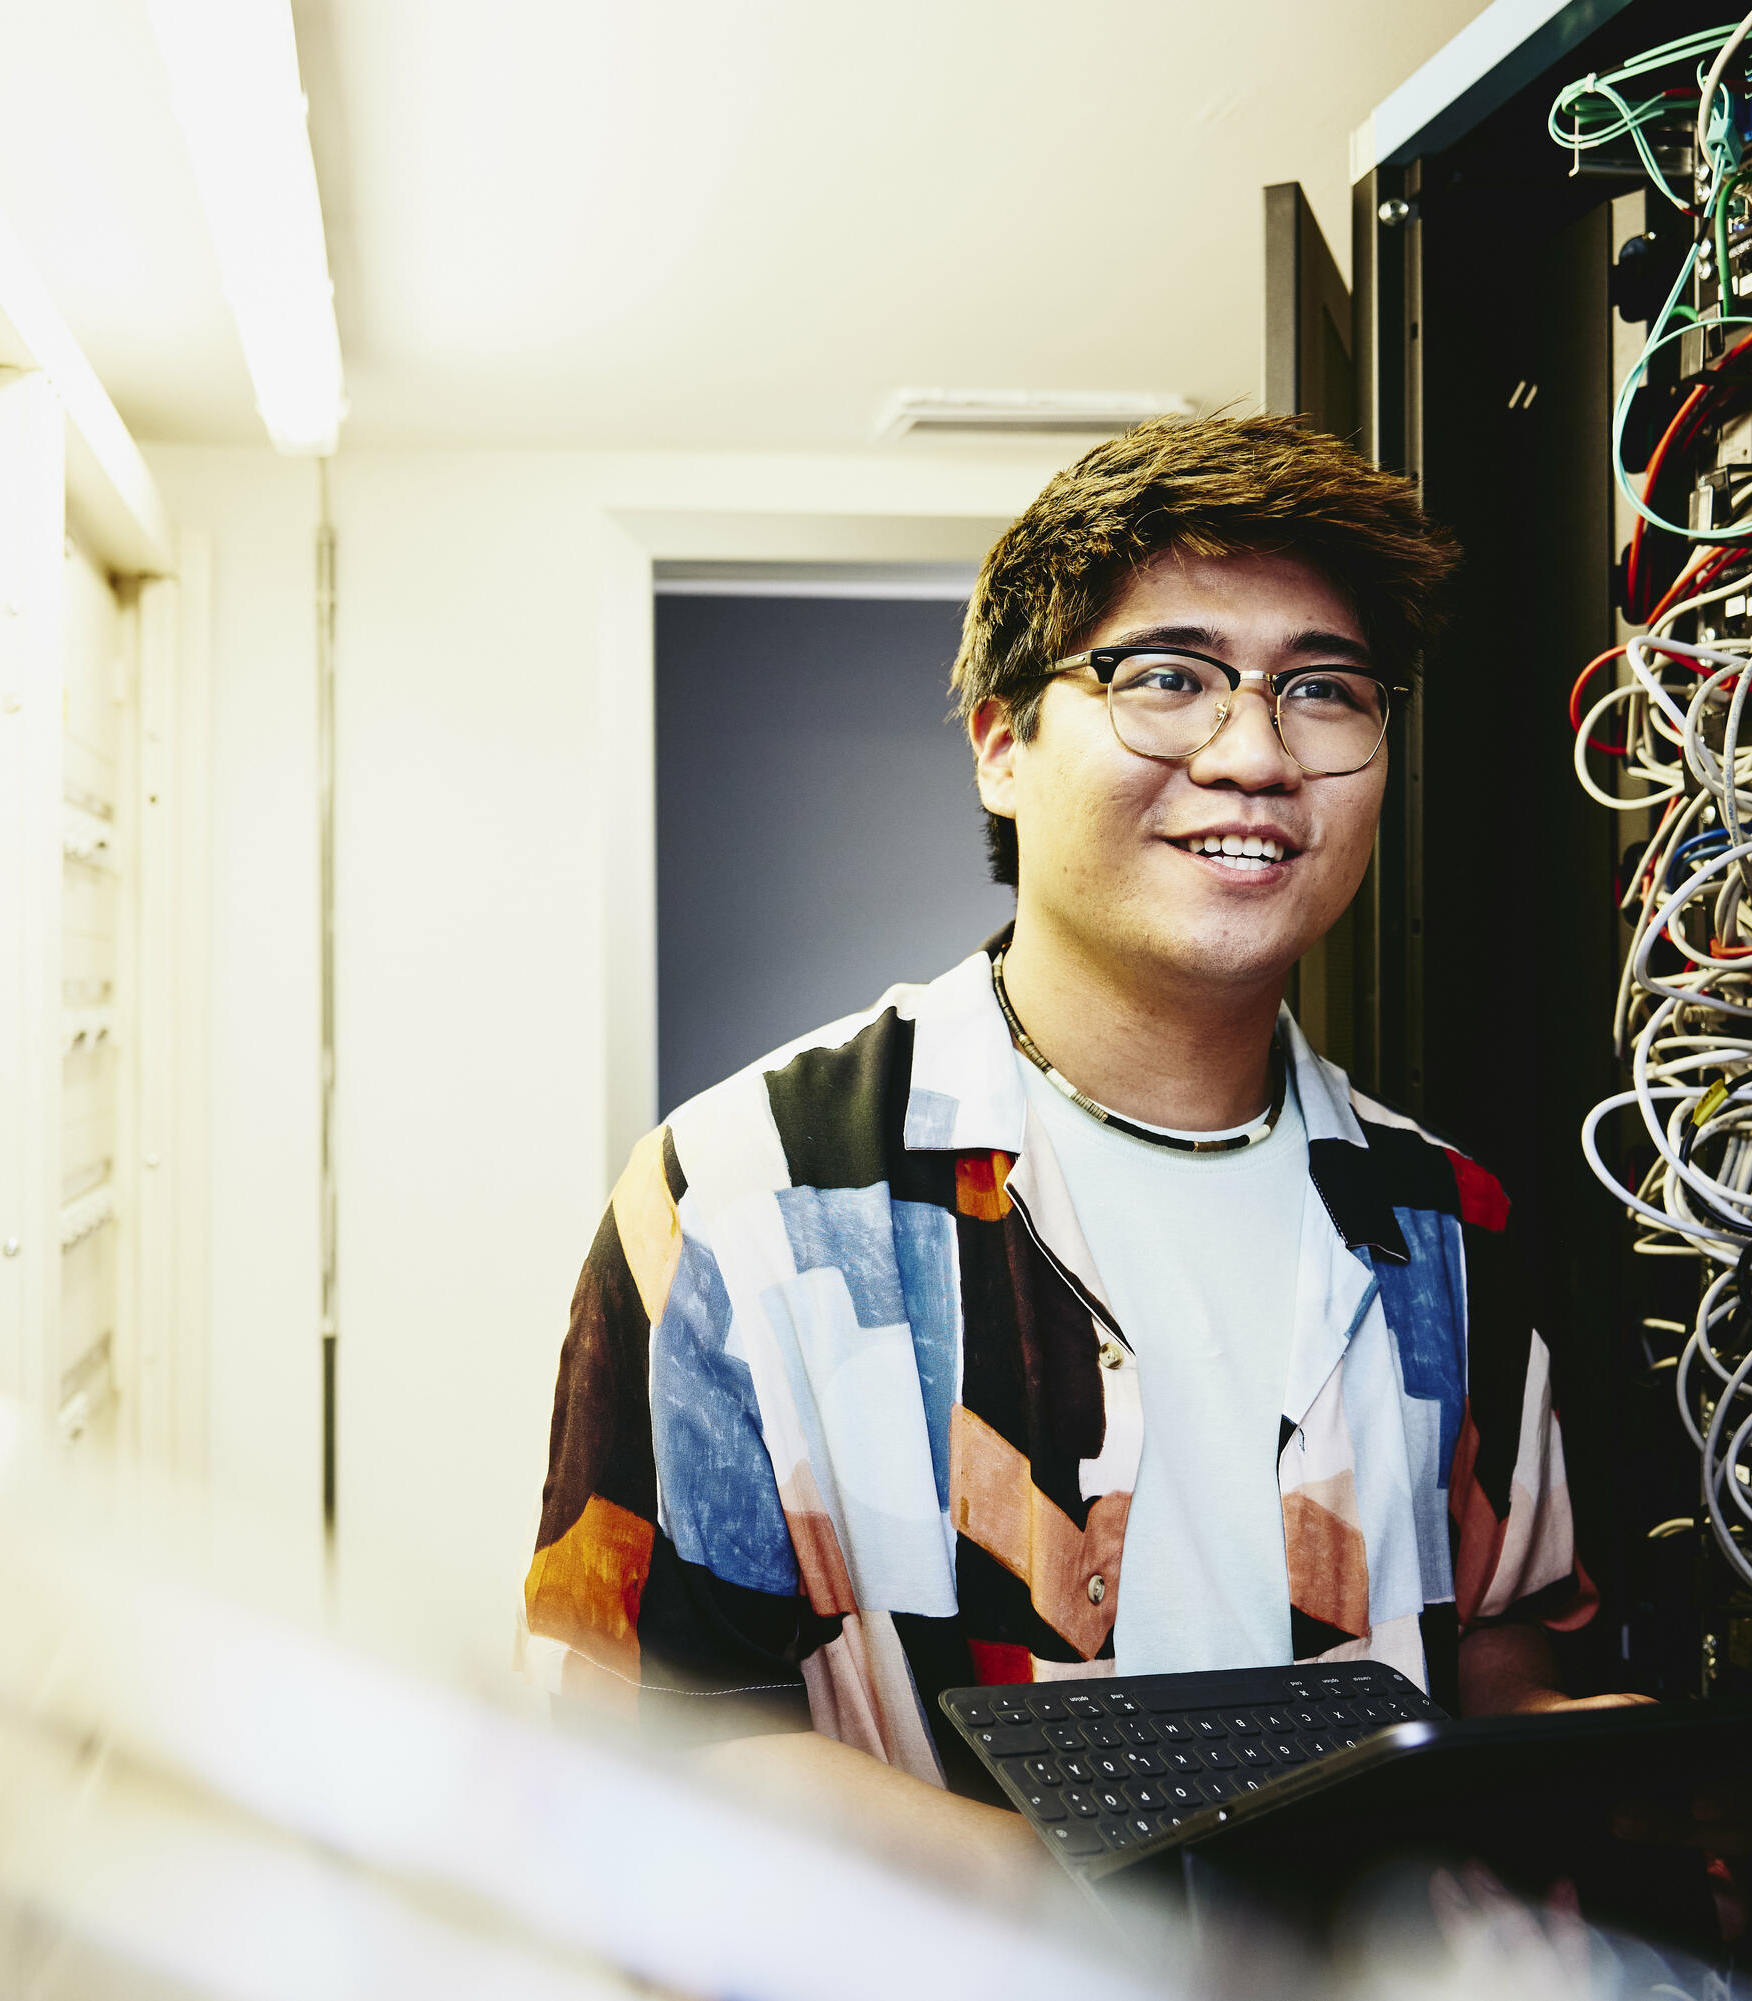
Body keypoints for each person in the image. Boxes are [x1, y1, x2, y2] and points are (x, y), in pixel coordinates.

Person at [523, 414, 1634, 1879]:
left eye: (1323, 689)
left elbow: (1503, 1627)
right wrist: (1100, 1924)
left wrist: (1575, 1760)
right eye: (1168, 678)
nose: (1254, 754)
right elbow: (640, 1746)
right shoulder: (746, 1205)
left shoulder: (1446, 1220)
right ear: (1001, 744)